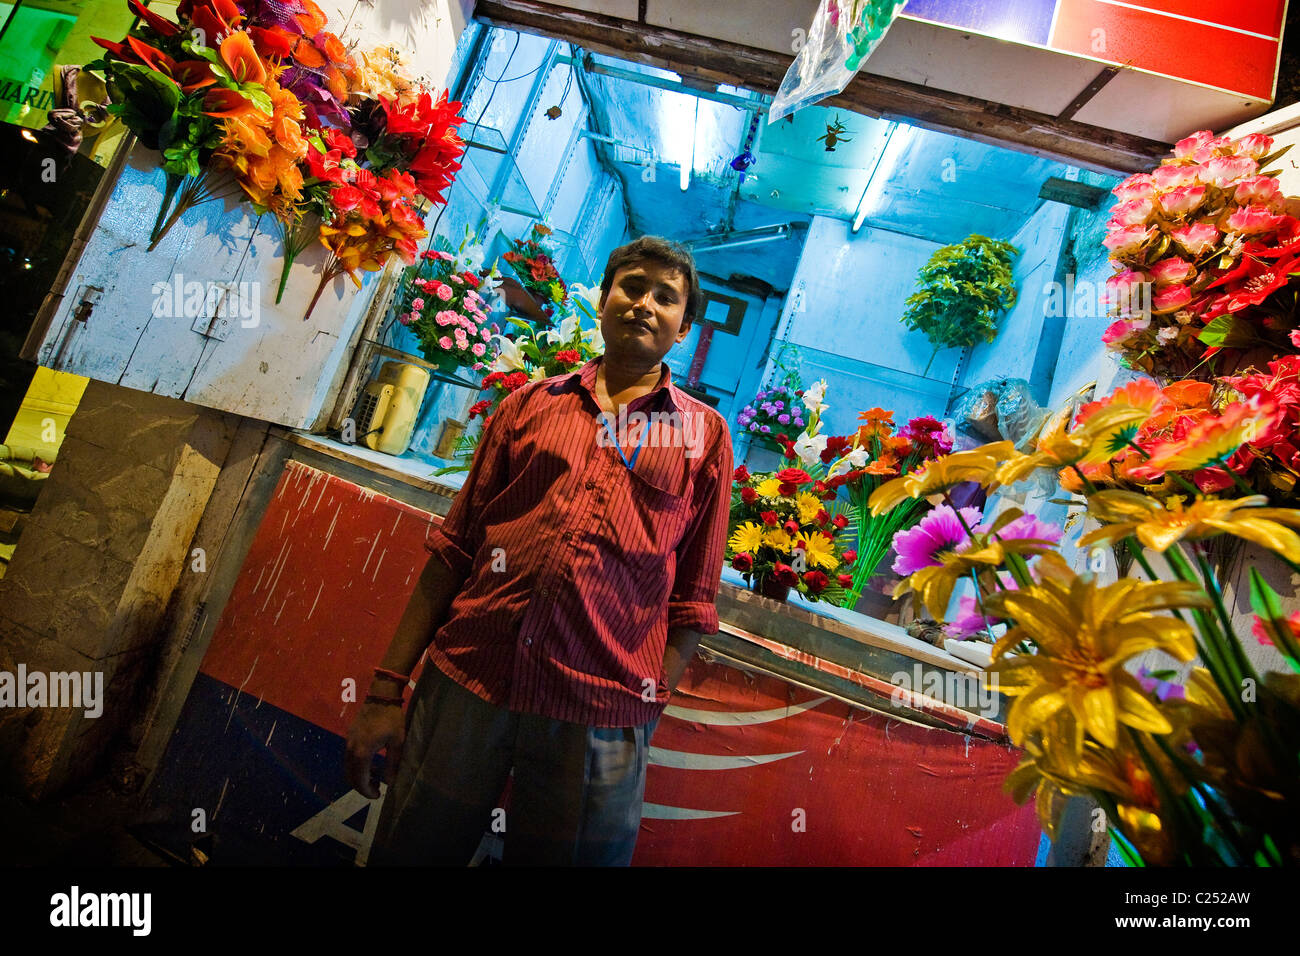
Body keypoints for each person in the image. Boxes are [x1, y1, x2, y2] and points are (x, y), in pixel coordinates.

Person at [345, 235, 734, 866]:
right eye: (632, 286)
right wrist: (388, 690)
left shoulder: (705, 438)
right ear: (604, 298)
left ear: (683, 329)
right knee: (410, 850)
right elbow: (454, 549)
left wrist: (644, 710)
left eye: (666, 298)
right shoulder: (530, 404)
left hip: (599, 711)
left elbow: (692, 599)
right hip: (470, 680)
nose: (644, 304)